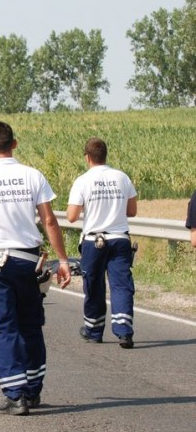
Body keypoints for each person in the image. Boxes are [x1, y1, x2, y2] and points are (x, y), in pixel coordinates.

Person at [0, 121, 71, 416]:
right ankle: (32, 391)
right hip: (28, 260)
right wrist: (62, 260)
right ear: (14, 144)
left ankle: (15, 394)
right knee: (30, 324)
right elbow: (49, 221)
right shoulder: (32, 175)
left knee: (2, 327)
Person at [67, 138, 139, 349]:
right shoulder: (122, 177)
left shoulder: (83, 180)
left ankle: (94, 330)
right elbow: (132, 211)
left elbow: (71, 216)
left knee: (94, 285)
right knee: (121, 285)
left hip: (93, 240)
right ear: (106, 155)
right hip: (119, 239)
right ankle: (124, 331)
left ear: (87, 157)